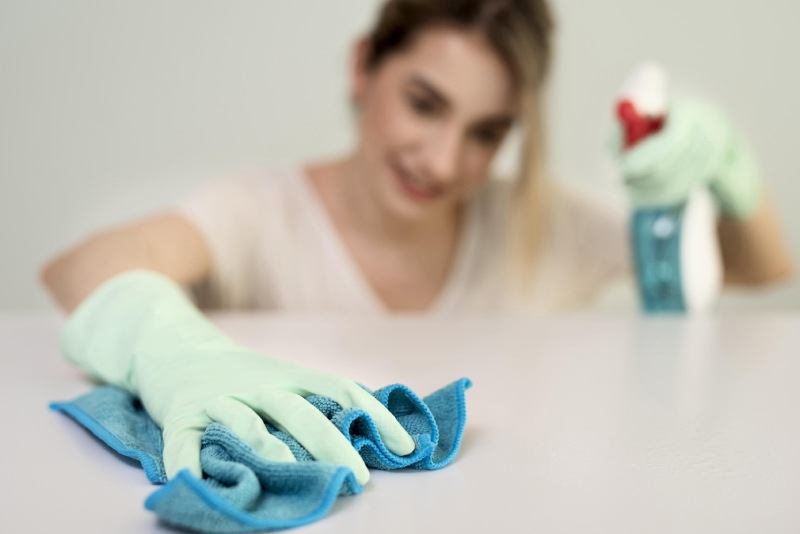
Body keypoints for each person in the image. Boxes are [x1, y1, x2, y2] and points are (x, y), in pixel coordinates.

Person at [40, 0, 792, 486]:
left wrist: (728, 169)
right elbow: (80, 268)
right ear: (365, 67)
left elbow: (764, 269)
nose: (441, 160)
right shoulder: (260, 212)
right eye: (424, 103)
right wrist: (173, 349)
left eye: (486, 134)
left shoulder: (537, 224)